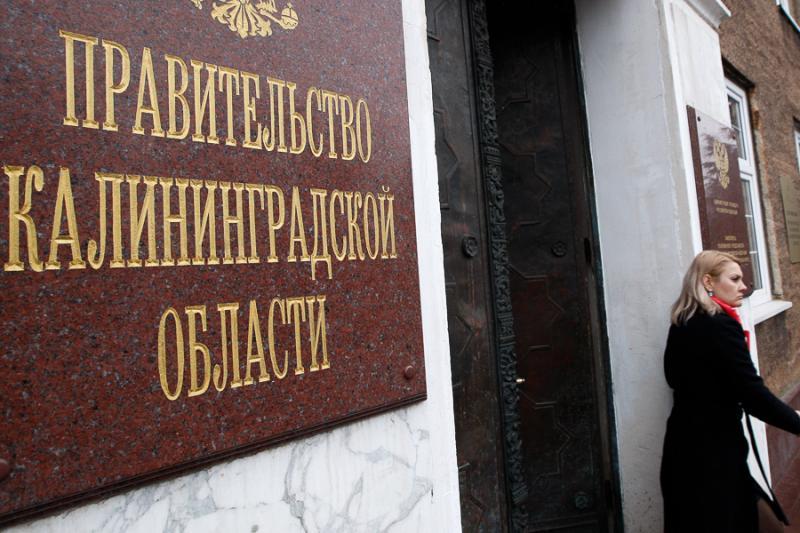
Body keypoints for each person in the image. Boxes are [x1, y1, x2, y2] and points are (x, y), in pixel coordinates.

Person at [660, 250, 800, 532]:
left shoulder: (683, 321)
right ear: (708, 282)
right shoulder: (719, 326)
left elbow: (674, 378)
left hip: (688, 451)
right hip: (712, 458)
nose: (744, 287)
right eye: (734, 279)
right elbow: (752, 393)